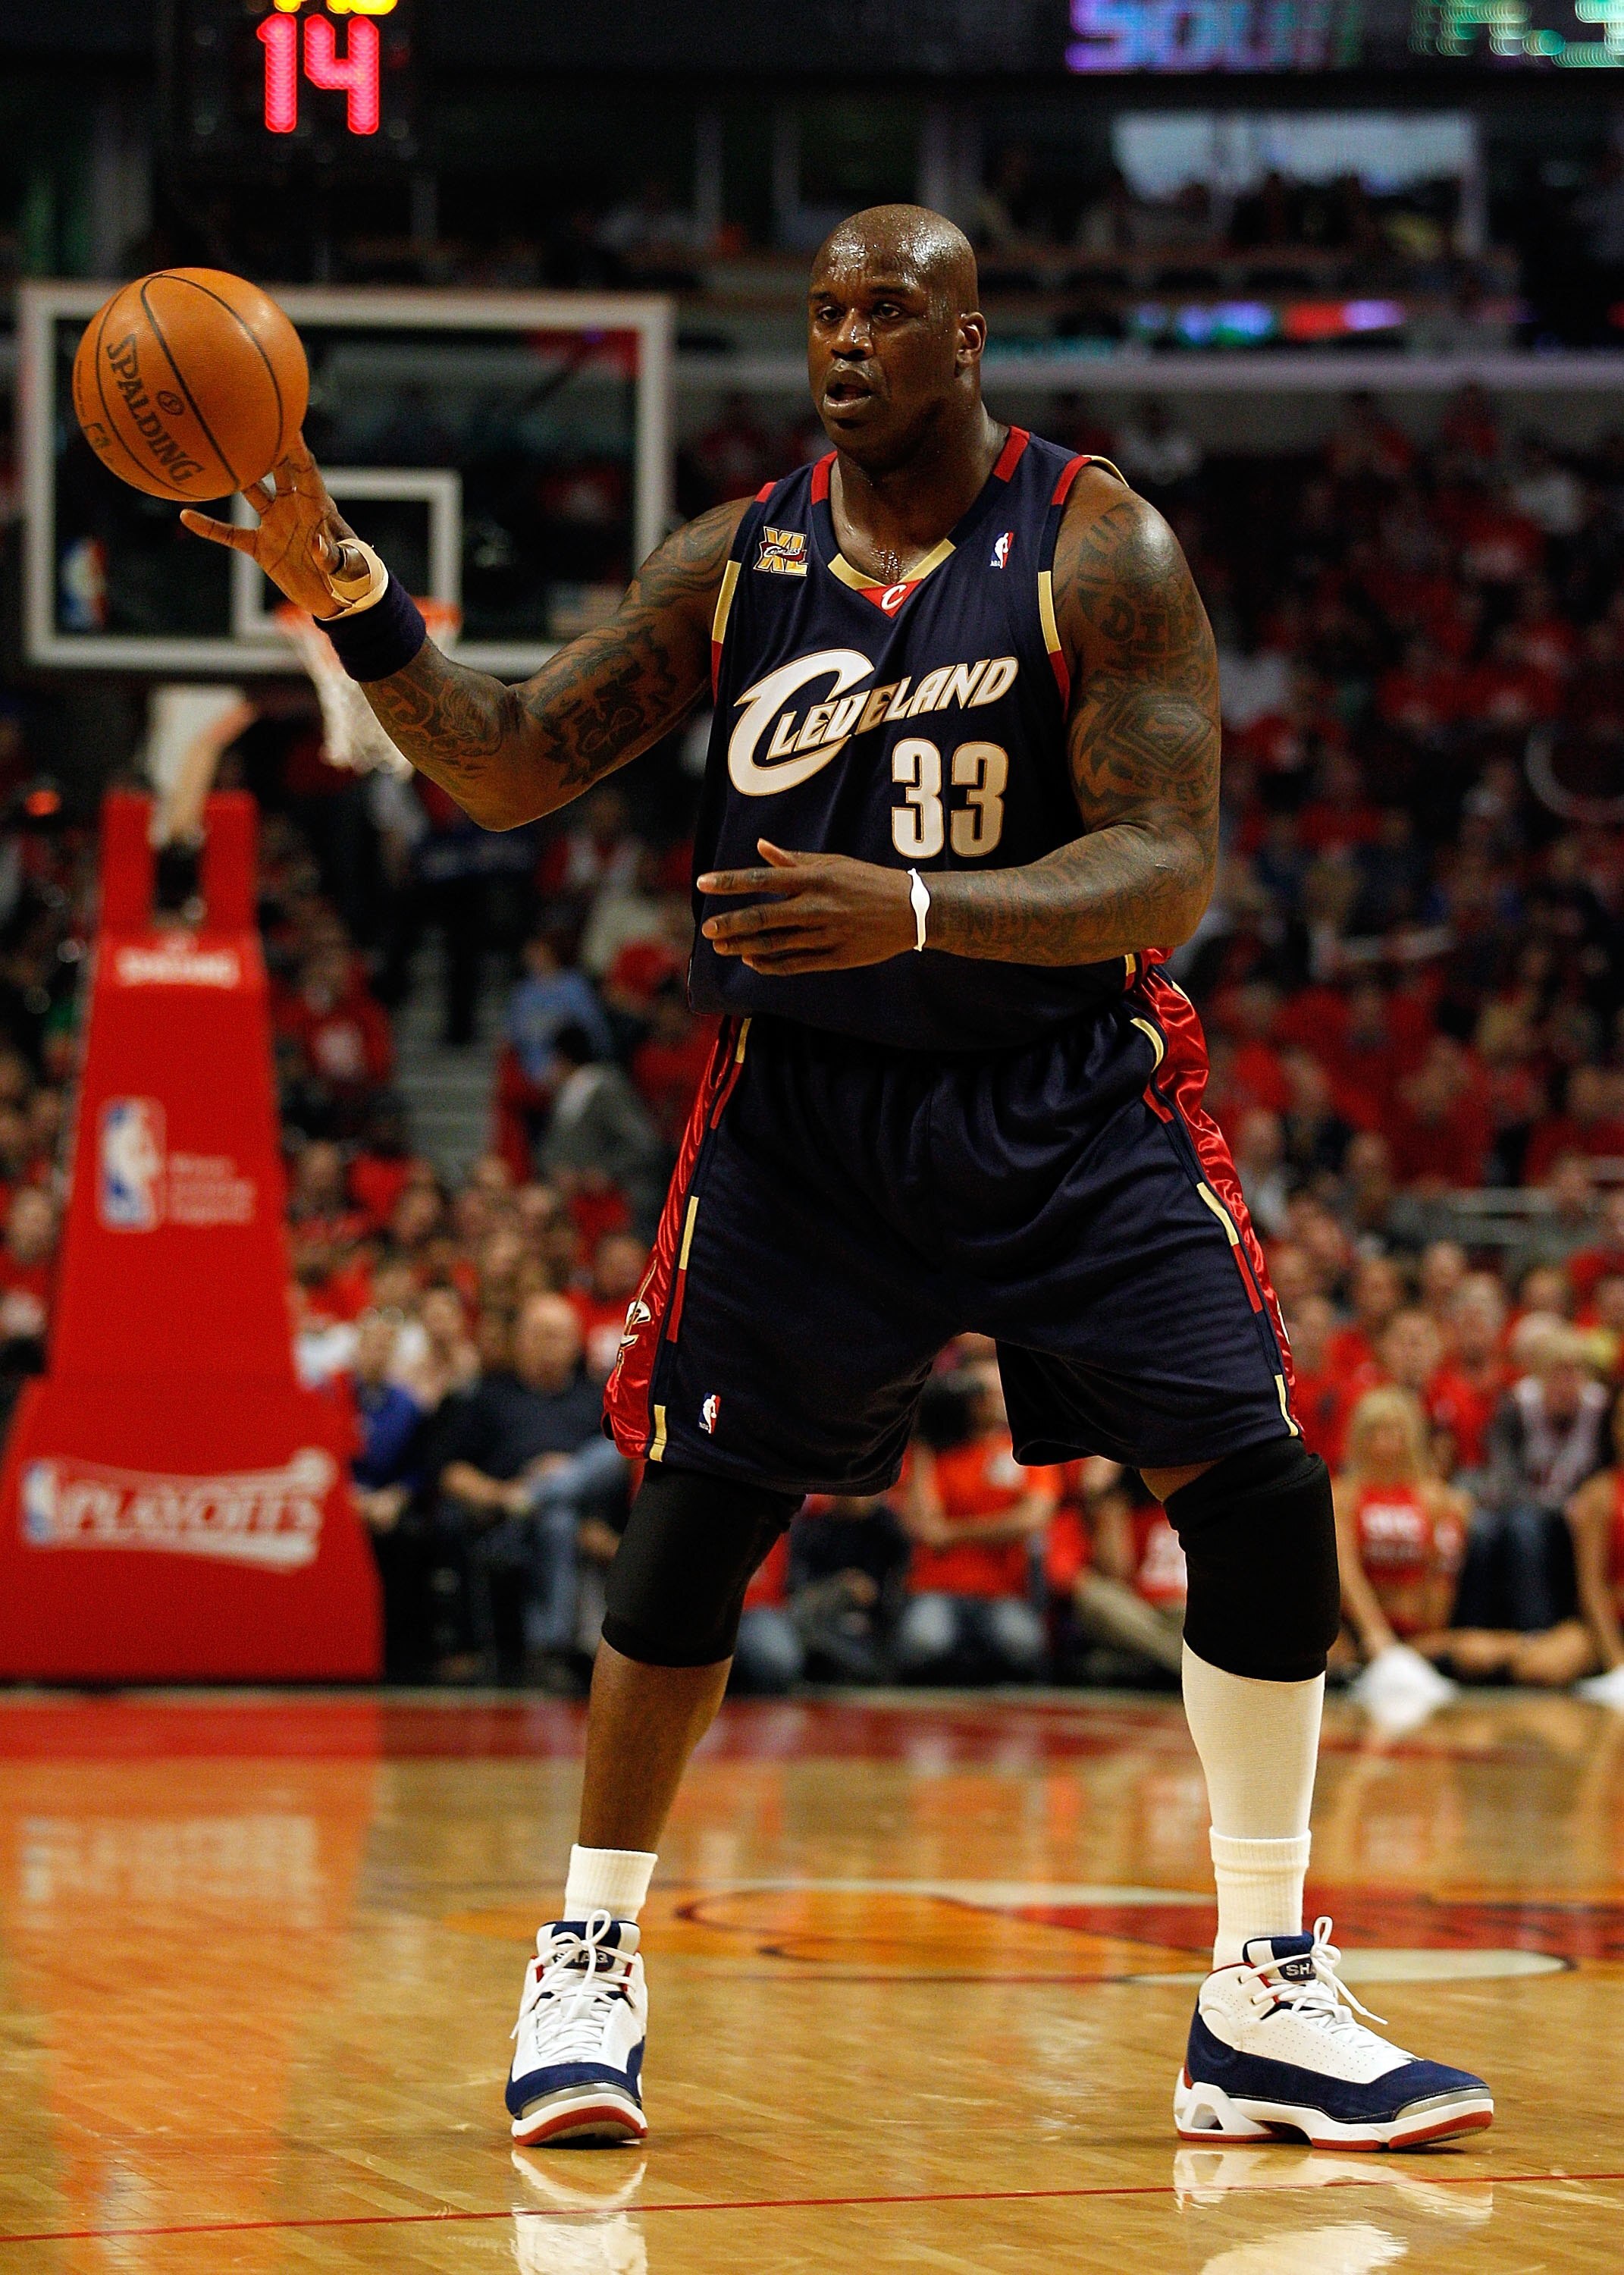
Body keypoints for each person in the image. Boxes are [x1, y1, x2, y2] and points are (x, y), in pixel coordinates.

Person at [190, 201, 1491, 2154]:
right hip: (804, 1115)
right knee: (694, 1517)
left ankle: (1260, 1992)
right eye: (823, 311)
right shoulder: (739, 561)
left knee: (1259, 1485)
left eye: (889, 308)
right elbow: (512, 761)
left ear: (968, 340)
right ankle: (589, 1956)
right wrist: (347, 589)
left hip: (1062, 1095)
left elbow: (1169, 863)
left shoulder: (1098, 546)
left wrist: (918, 907)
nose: (847, 340)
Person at [894, 1363, 1056, 1684]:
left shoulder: (1025, 1451)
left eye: (997, 1393)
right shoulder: (935, 1452)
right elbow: (924, 1526)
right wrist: (923, 1443)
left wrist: (954, 1533)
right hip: (938, 1585)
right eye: (981, 1394)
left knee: (1022, 1645)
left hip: (1004, 1590)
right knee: (921, 1643)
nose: (989, 1403)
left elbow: (1033, 1517)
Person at [1331, 1388, 1467, 1671]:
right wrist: (1374, 1632)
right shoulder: (1343, 1496)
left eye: (1394, 1431)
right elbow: (1346, 1571)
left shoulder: (1437, 1499)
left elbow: (1441, 1575)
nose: (1384, 1442)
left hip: (1420, 1631)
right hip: (1356, 1633)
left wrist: (1427, 1633)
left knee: (1480, 1652)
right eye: (1374, 1432)